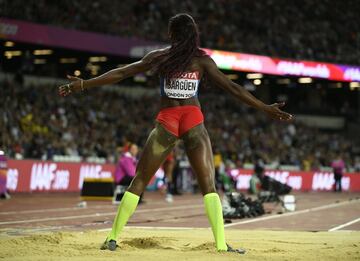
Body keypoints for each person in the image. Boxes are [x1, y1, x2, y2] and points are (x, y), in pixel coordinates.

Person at [59, 13, 292, 254]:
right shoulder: (202, 61)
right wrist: (264, 107)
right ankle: (221, 246)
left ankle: (113, 238)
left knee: (139, 180)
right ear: (194, 35)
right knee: (208, 186)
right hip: (193, 120)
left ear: (172, 34)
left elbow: (121, 73)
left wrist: (85, 84)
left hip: (167, 120)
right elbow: (233, 88)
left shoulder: (159, 57)